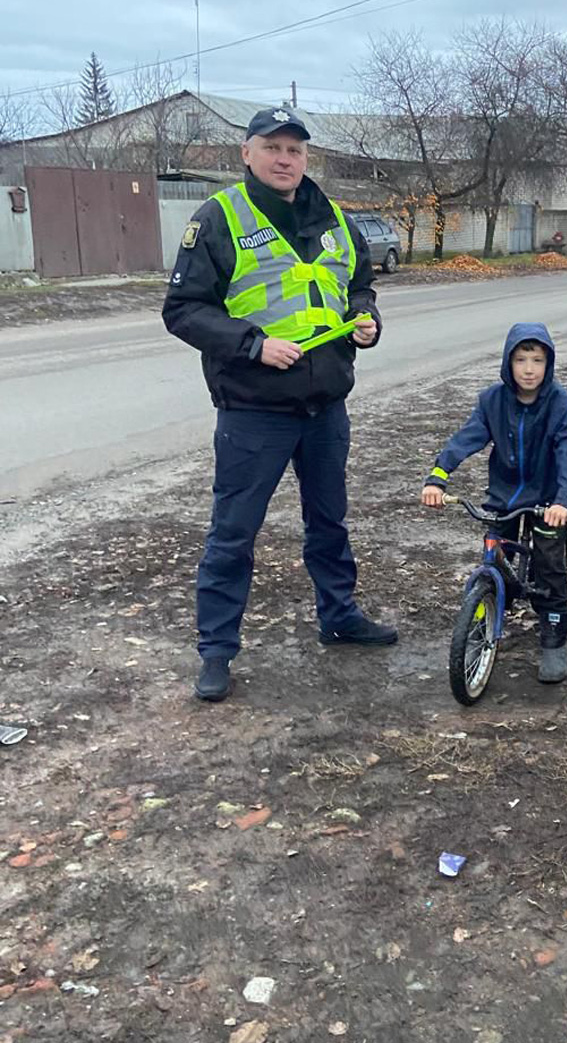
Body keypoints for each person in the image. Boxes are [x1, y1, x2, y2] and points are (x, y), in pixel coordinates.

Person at [163, 107, 397, 703]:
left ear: (306, 158)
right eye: (272, 147)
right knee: (234, 533)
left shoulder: (336, 217)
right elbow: (183, 310)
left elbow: (358, 285)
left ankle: (339, 615)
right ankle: (217, 652)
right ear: (247, 153)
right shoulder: (220, 218)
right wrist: (253, 345)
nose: (284, 158)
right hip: (253, 411)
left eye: (294, 149)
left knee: (329, 522)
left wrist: (365, 319)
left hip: (325, 407)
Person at [420, 324, 567, 683]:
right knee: (494, 553)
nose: (529, 369)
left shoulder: (560, 404)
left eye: (537, 360)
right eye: (521, 359)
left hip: (547, 500)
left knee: (549, 565)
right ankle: (490, 605)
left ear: (549, 364)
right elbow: (467, 438)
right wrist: (438, 475)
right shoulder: (492, 401)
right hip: (504, 495)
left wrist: (565, 500)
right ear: (508, 363)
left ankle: (554, 632)